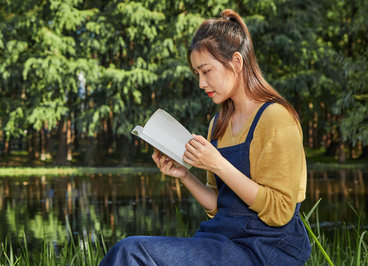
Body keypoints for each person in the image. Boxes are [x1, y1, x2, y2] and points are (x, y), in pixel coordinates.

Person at [100, 9, 311, 266]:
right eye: (197, 73)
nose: (201, 83)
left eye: (206, 71)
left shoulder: (277, 119)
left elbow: (280, 212)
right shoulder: (218, 124)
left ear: (236, 62)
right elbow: (220, 206)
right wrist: (184, 174)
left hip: (267, 249)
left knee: (130, 251)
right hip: (222, 240)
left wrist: (218, 163)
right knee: (130, 251)